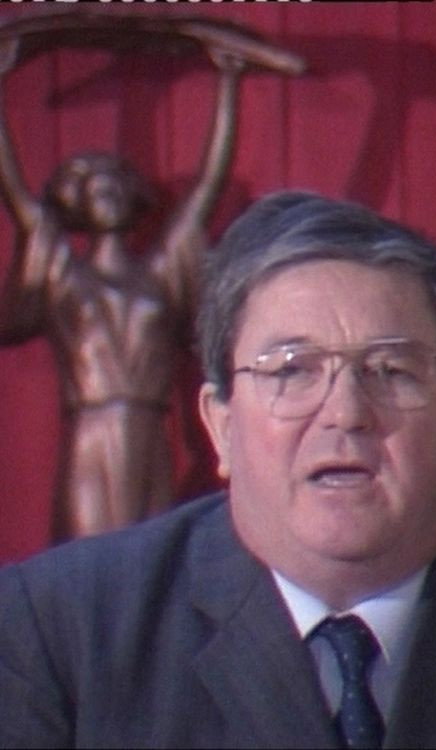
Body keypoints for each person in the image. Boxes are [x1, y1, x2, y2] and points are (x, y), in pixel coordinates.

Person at [0, 190, 436, 749]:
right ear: (221, 426)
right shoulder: (57, 630)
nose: (345, 414)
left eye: (390, 370)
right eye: (291, 371)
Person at [0, 17, 303, 540]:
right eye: (98, 191)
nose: (110, 197)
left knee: (152, 557)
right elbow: (14, 189)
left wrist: (228, 83)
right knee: (88, 557)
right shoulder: (62, 272)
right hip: (90, 432)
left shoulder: (160, 276)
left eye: (117, 188)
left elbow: (208, 185)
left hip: (151, 433)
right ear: (76, 203)